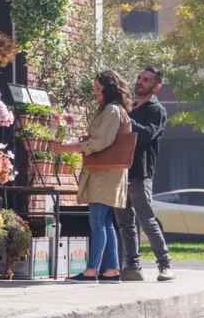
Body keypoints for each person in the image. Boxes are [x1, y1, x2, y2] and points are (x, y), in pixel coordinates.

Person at [61, 70, 134, 282]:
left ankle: (92, 269)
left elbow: (101, 142)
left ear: (107, 88)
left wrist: (72, 147)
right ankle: (111, 268)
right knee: (105, 220)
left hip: (105, 173)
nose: (95, 92)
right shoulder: (114, 109)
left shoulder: (112, 110)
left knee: (98, 220)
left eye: (97, 88)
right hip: (108, 171)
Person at [114, 66, 174, 282]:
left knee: (147, 219)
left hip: (140, 173)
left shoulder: (156, 110)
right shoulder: (127, 107)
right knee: (125, 223)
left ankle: (165, 264)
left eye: (146, 79)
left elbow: (147, 135)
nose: (140, 81)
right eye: (139, 77)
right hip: (120, 171)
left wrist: (127, 121)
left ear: (156, 86)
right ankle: (132, 266)